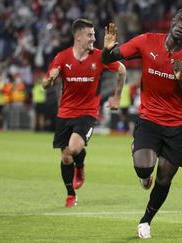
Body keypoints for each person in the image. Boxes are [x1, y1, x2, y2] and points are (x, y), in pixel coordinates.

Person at [102, 8, 182, 239]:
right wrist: (107, 48)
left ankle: (146, 220)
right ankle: (143, 169)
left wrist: (180, 80)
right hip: (149, 119)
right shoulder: (147, 41)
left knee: (165, 177)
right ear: (172, 21)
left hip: (177, 127)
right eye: (179, 20)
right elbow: (109, 59)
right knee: (144, 168)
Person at [42, 19, 126, 207]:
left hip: (87, 113)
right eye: (90, 35)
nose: (94, 38)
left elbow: (122, 70)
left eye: (94, 34)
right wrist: (51, 79)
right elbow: (44, 83)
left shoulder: (99, 56)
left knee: (73, 148)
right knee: (65, 156)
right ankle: (70, 194)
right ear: (78, 36)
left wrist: (117, 97)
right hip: (65, 113)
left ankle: (79, 166)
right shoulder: (62, 58)